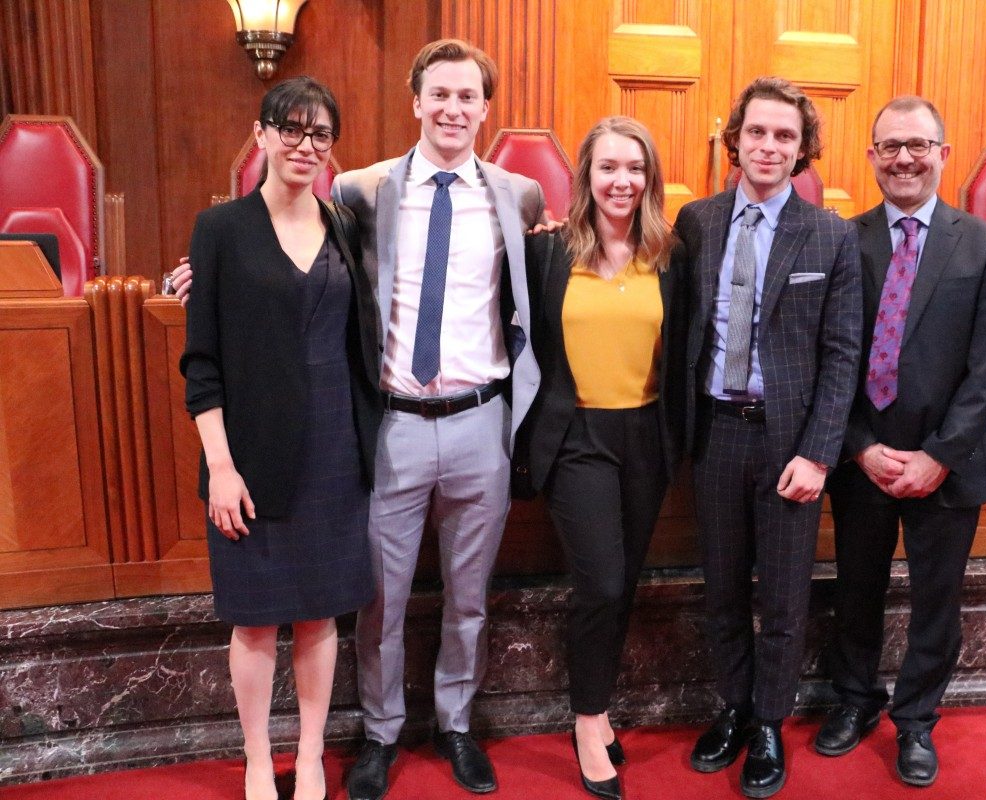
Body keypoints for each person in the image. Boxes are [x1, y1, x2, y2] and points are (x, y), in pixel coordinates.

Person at [331, 39, 545, 799]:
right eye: (441, 94)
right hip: (393, 423)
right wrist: (206, 268)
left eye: (468, 97)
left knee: (468, 592)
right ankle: (382, 734)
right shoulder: (360, 190)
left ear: (486, 109)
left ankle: (456, 722)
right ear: (416, 101)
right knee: (380, 596)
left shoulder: (518, 196)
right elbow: (305, 255)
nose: (454, 109)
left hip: (480, 424)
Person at [179, 76, 382, 800]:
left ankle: (313, 751)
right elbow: (201, 365)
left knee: (321, 615)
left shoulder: (346, 225)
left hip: (336, 449)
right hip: (252, 457)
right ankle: (260, 756)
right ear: (261, 135)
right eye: (290, 129)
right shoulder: (222, 231)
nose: (305, 145)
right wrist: (222, 468)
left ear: (333, 148)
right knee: (257, 623)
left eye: (320, 133)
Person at [673, 77, 862, 798]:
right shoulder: (697, 222)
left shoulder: (831, 235)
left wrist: (818, 453)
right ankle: (732, 706)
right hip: (717, 432)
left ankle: (769, 725)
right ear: (735, 140)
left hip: (790, 444)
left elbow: (842, 354)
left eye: (785, 136)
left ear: (802, 150)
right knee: (721, 589)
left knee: (782, 598)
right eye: (758, 132)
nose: (769, 146)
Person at [817, 96, 986, 787]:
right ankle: (853, 701)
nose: (905, 157)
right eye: (891, 145)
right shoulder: (843, 237)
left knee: (937, 599)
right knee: (856, 591)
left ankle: (918, 721)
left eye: (918, 145)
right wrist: (860, 446)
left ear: (943, 153)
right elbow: (829, 356)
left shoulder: (985, 244)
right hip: (862, 458)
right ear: (871, 157)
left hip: (946, 466)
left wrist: (938, 455)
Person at [518, 116, 686, 800]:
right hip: (576, 437)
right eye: (608, 167)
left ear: (650, 177)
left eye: (635, 167)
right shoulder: (548, 252)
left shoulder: (673, 253)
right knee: (603, 584)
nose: (623, 180)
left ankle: (600, 702)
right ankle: (588, 720)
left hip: (646, 436)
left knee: (626, 583)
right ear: (585, 176)